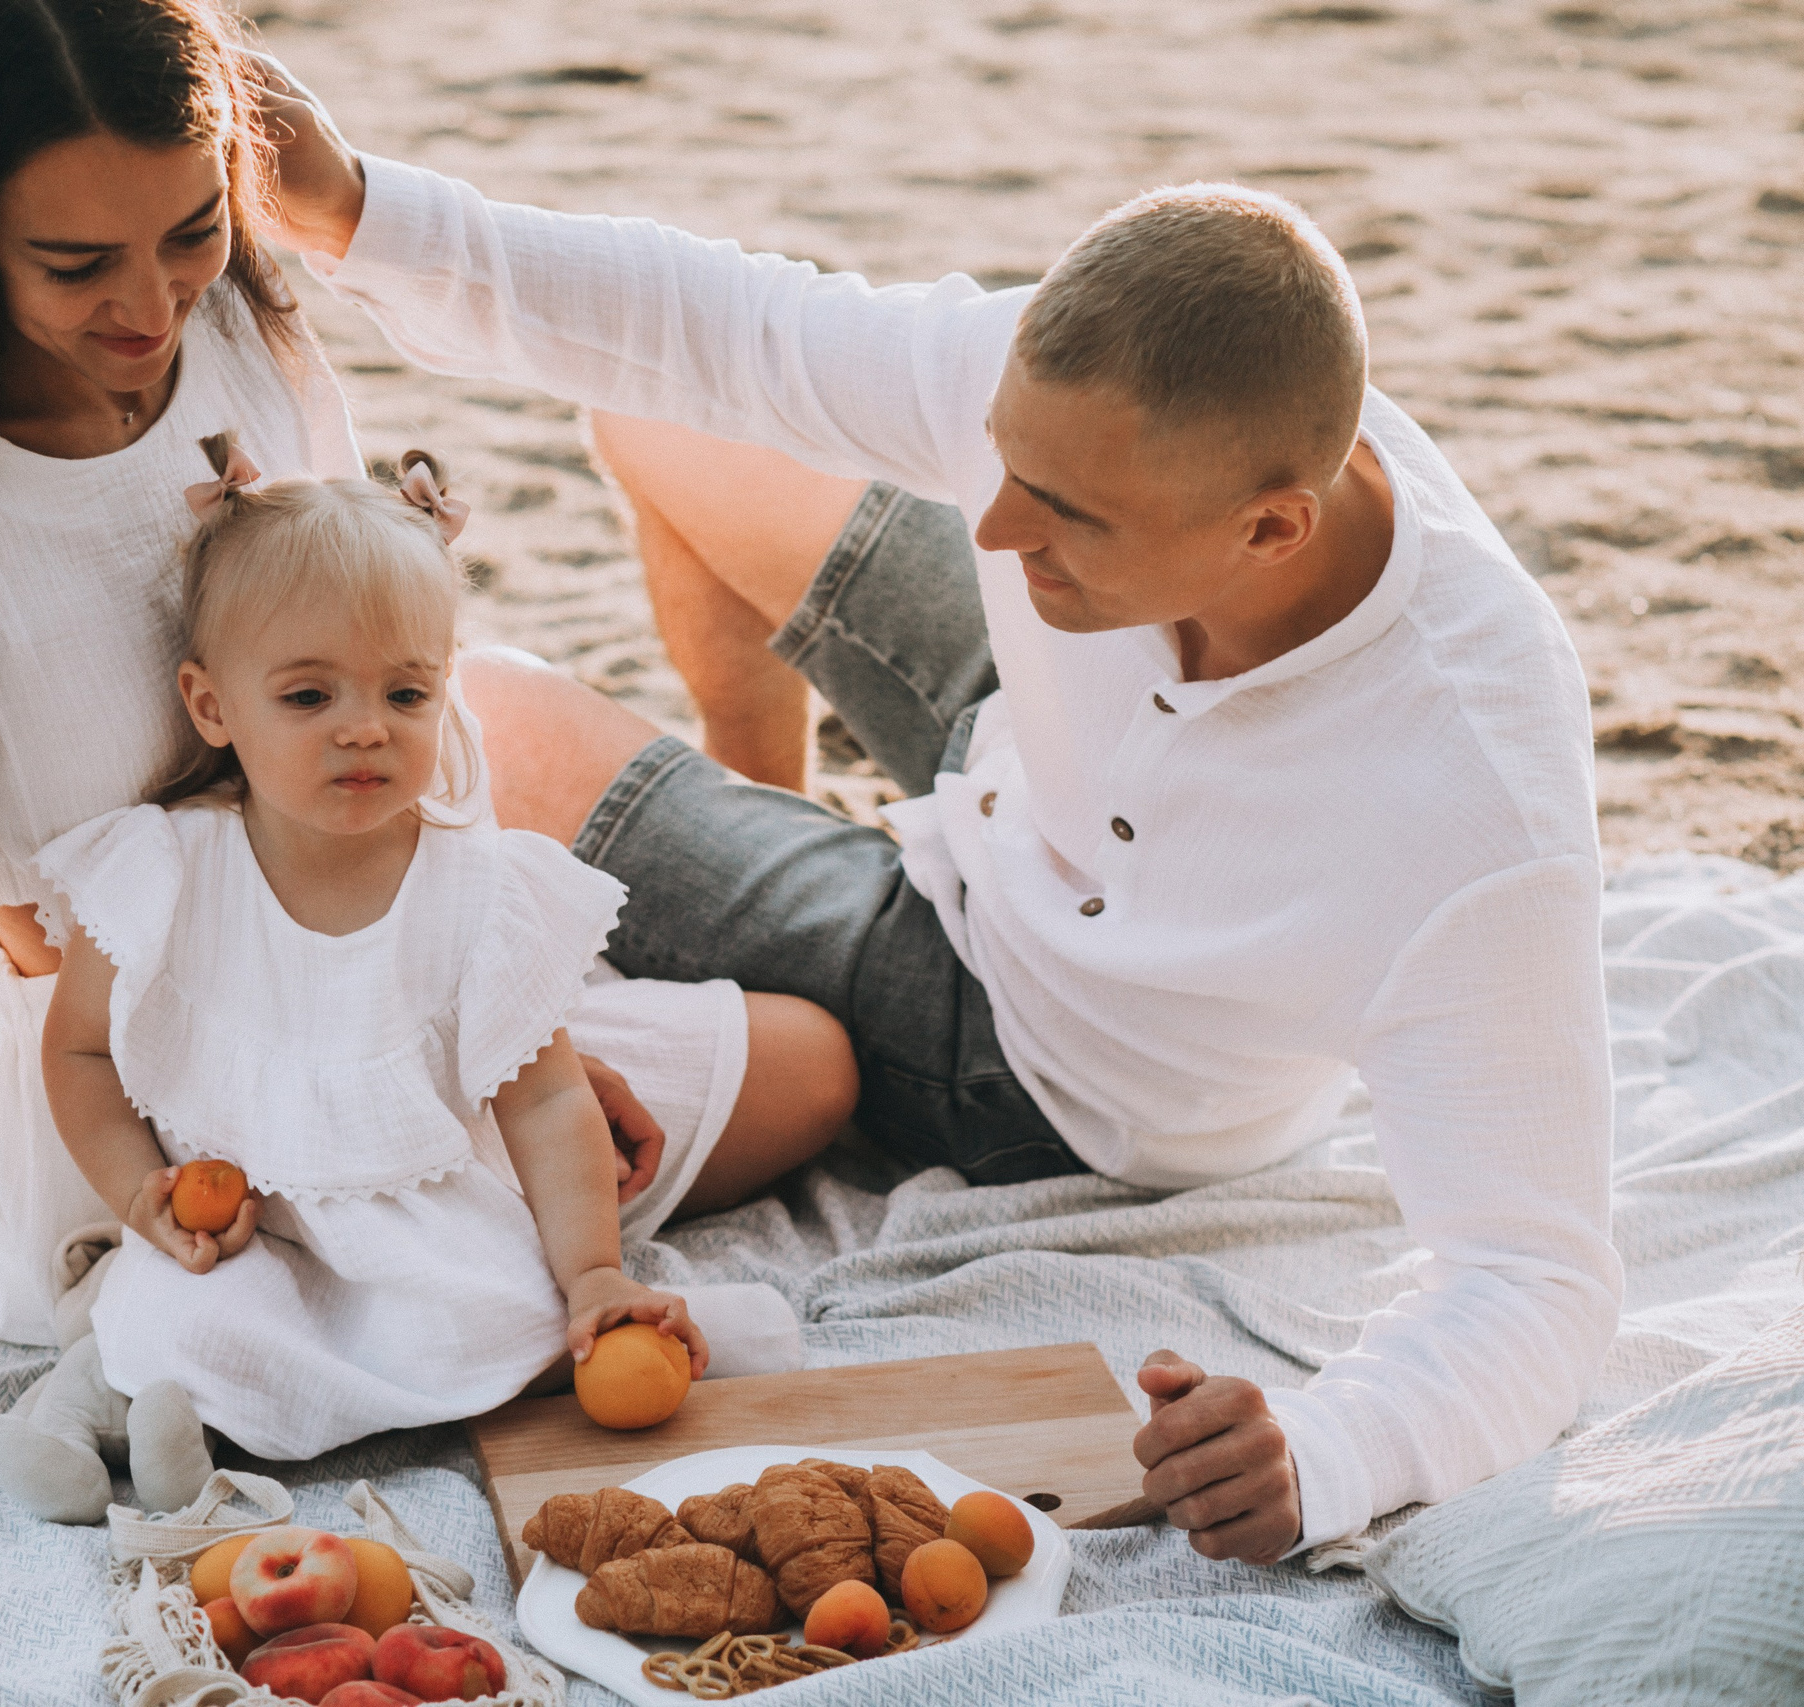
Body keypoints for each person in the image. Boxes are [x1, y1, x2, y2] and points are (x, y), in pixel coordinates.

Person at [256, 69, 1624, 1565]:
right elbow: (734, 329)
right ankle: (757, 806)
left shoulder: (1468, 796)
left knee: (487, 714)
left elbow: (1537, 1276)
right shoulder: (1112, 464)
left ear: (1274, 524)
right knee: (662, 418)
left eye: (1060, 511)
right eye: (1005, 465)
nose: (990, 528)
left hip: (1041, 1045)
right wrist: (364, 213)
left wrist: (1338, 1441)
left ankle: (774, 883)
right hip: (1018, 759)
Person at [0, 0, 849, 1530]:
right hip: (136, 1086)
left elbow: (371, 666)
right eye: (76, 265)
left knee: (805, 1066)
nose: (149, 308)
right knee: (261, 1305)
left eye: (191, 231)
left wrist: (497, 1016)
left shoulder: (243, 336)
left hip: (379, 983)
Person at [0, 445, 795, 1520]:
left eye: (405, 692)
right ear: (212, 706)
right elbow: (79, 1051)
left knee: (497, 1317)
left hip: (417, 1225)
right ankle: (108, 1411)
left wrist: (594, 1267)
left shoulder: (478, 887)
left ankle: (208, 1413)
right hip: (244, 1230)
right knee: (184, 1310)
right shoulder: (166, 869)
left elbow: (545, 1097)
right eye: (309, 696)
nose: (364, 726)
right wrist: (138, 1187)